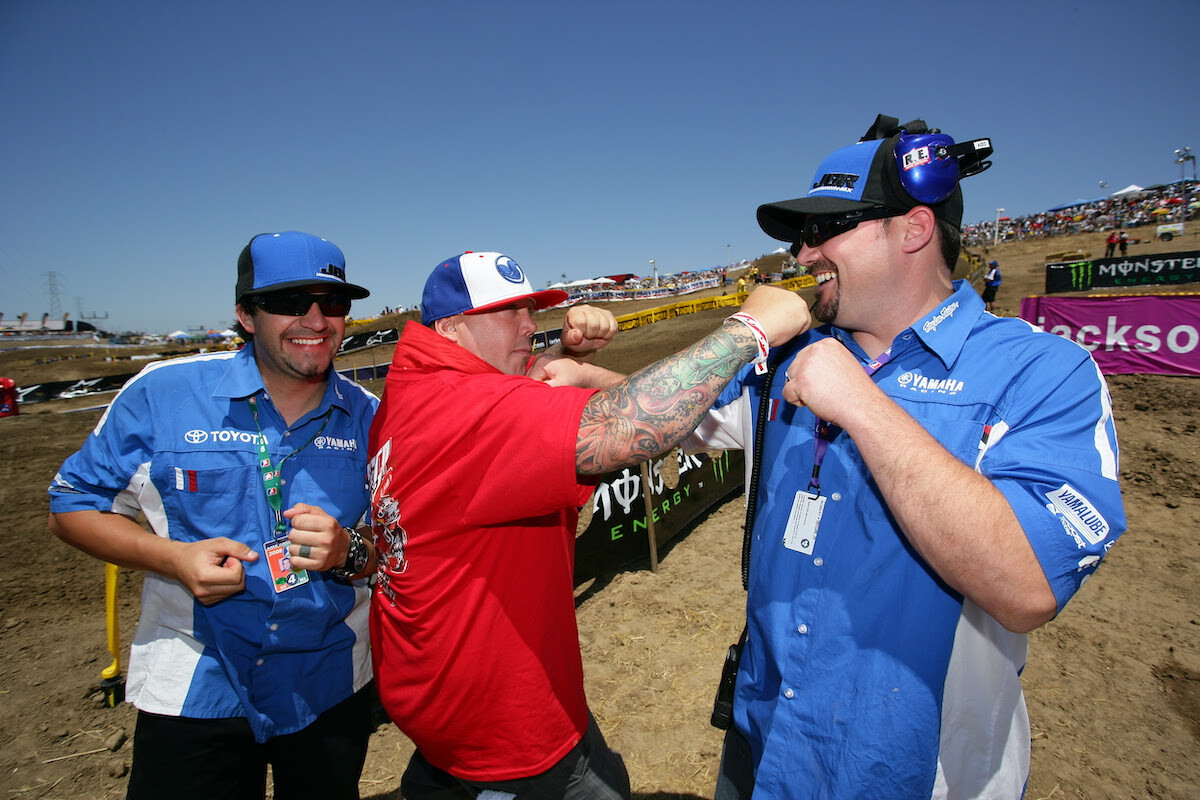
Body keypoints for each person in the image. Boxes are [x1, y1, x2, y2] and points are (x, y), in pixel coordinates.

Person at [690, 116, 1126, 799]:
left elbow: (1029, 587)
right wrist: (580, 375)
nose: (803, 256)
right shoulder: (792, 362)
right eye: (800, 238)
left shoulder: (1044, 371)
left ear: (913, 230)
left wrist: (861, 406)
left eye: (823, 230)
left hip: (914, 775)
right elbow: (682, 423)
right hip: (761, 747)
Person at [367, 250, 809, 800]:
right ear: (452, 327)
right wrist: (750, 328)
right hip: (507, 727)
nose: (531, 325)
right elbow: (627, 429)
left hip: (457, 695)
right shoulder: (466, 411)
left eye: (532, 311)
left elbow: (497, 409)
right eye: (510, 314)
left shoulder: (415, 392)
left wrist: (559, 355)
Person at [48, 231, 380, 800]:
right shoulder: (163, 393)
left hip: (328, 682)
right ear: (246, 315)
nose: (316, 319)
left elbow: (398, 544)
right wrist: (172, 558)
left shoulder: (372, 416)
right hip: (196, 679)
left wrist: (350, 551)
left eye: (333, 303)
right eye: (289, 302)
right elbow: (71, 505)